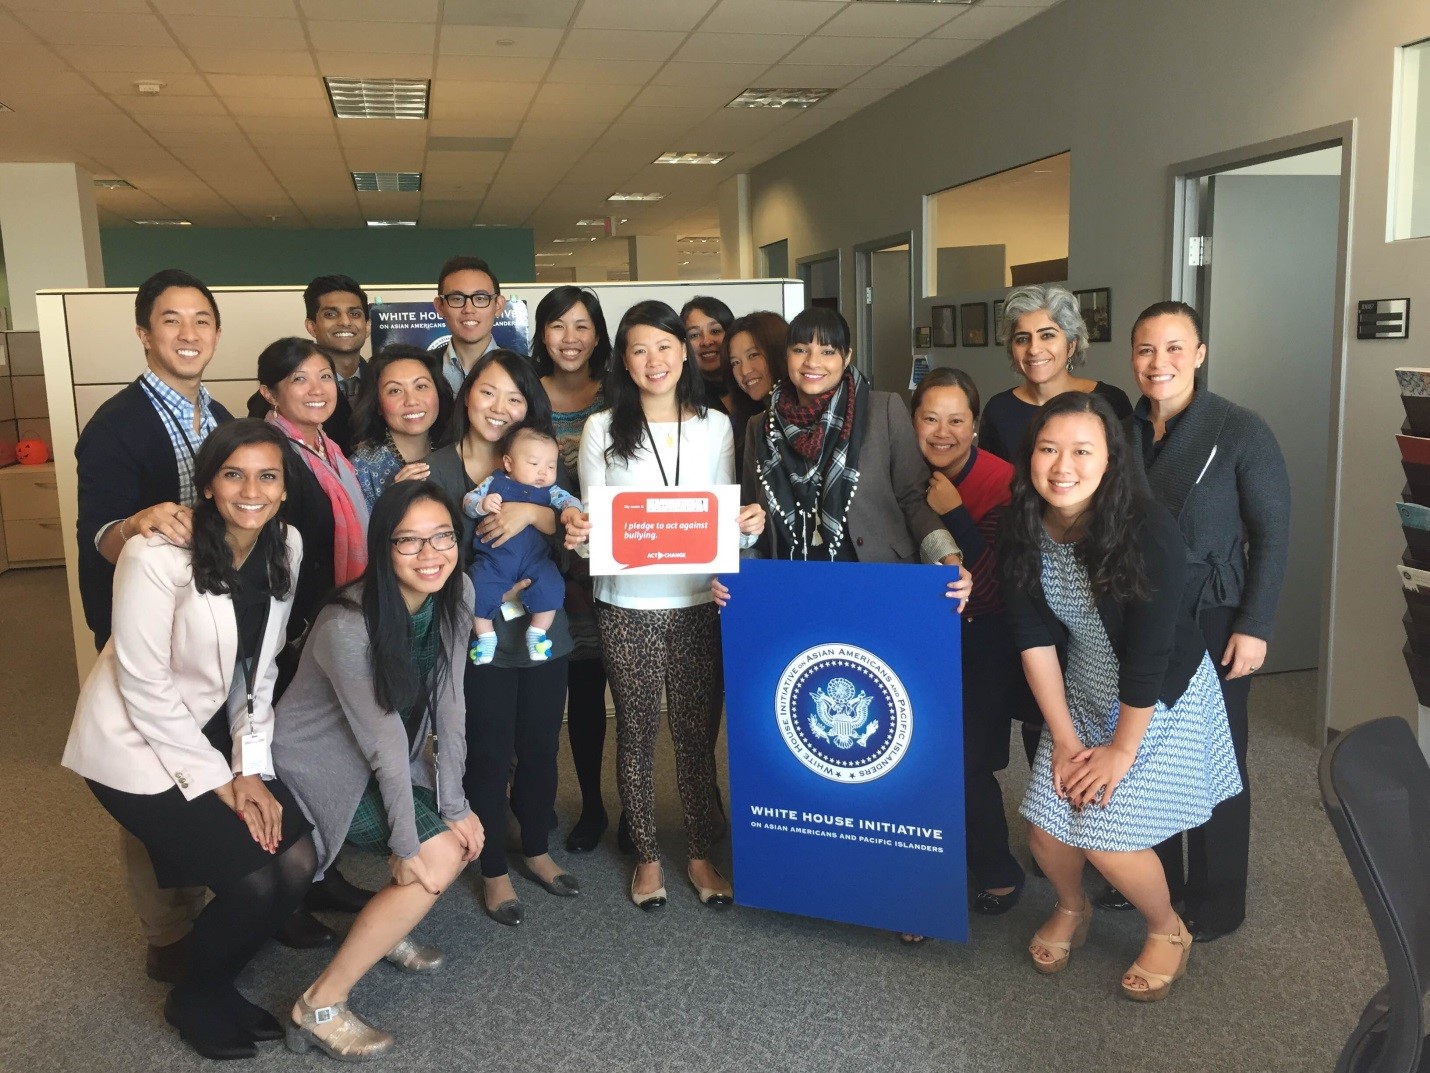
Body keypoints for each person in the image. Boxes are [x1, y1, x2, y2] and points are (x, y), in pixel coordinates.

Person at [62, 420, 316, 1060]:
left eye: (268, 476)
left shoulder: (285, 542)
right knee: (255, 880)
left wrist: (251, 767)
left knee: (297, 860)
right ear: (207, 484)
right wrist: (221, 780)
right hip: (130, 746)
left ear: (285, 489)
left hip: (208, 732)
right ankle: (195, 996)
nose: (250, 490)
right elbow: (143, 683)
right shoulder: (156, 555)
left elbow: (259, 667)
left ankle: (213, 979)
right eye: (233, 474)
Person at [999, 391, 1241, 1002]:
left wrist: (1120, 751)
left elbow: (1153, 653)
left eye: (1083, 450)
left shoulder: (1145, 527)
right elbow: (1032, 639)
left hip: (1159, 699)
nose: (1063, 466)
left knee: (1107, 835)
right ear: (1029, 456)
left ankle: (1168, 929)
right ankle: (1073, 908)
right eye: (1049, 449)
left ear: (1110, 460)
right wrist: (1065, 738)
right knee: (1047, 832)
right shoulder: (1020, 523)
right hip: (1080, 689)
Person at [1095, 301, 1290, 941]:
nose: (1160, 363)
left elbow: (1273, 534)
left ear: (1200, 354)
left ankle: (1217, 897)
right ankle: (1159, 879)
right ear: (1132, 357)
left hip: (1213, 612)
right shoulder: (1119, 429)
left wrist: (1255, 623)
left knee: (1215, 757)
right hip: (1138, 612)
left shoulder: (1239, 429)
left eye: (1175, 348)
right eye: (1147, 350)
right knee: (1149, 748)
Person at [273, 481, 484, 1061]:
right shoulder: (349, 621)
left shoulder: (456, 592)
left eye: (443, 536)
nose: (431, 554)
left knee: (447, 843)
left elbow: (451, 703)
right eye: (409, 542)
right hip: (319, 766)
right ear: (381, 548)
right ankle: (318, 1005)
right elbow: (383, 739)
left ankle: (384, 927)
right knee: (435, 857)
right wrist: (406, 836)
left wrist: (456, 804)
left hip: (387, 757)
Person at [578, 299, 766, 911]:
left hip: (696, 601)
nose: (654, 360)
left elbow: (723, 527)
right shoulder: (601, 427)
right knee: (634, 732)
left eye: (665, 345)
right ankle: (648, 855)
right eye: (639, 349)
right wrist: (581, 531)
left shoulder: (714, 425)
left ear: (684, 353)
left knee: (694, 734)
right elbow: (597, 527)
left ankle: (700, 852)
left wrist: (748, 525)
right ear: (624, 362)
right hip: (626, 602)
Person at [74, 267, 232, 983]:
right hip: (144, 633)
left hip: (207, 627)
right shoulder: (116, 422)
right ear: (144, 332)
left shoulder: (222, 419)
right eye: (171, 319)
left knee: (201, 755)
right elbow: (98, 532)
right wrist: (135, 522)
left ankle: (201, 896)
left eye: (201, 319)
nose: (188, 333)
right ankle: (166, 931)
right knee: (151, 772)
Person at [426, 350, 586, 927]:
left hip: (545, 635)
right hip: (478, 634)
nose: (500, 407)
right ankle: (492, 866)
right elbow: (425, 554)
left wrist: (531, 517)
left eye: (514, 397)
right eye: (488, 392)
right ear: (466, 395)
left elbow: (573, 533)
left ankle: (536, 848)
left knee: (542, 748)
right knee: (488, 754)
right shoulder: (437, 470)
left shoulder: (541, 461)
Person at [911, 367, 1034, 917]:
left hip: (986, 638)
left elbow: (990, 584)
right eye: (929, 418)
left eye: (956, 420)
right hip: (919, 636)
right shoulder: (902, 473)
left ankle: (997, 868)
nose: (943, 432)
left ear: (975, 424)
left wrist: (954, 512)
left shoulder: (1004, 480)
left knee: (966, 761)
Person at [532, 285, 613, 853]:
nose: (570, 338)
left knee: (620, 693)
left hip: (611, 568)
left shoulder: (620, 394)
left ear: (598, 333)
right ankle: (589, 806)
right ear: (541, 334)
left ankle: (624, 803)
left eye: (581, 326)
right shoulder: (524, 396)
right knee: (566, 695)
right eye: (558, 325)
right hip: (542, 570)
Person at [463, 425, 582, 665]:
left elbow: (570, 501)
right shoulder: (493, 483)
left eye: (551, 466)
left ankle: (537, 633)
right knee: (477, 587)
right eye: (534, 463)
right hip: (494, 561)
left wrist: (571, 510)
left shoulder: (551, 491)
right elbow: (468, 501)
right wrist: (482, 504)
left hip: (536, 561)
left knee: (552, 585)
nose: (543, 472)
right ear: (508, 462)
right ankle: (485, 636)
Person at [978, 283, 1133, 465]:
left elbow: (1125, 479)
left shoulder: (1111, 401)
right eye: (1022, 339)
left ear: (1071, 345)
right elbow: (990, 482)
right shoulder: (998, 409)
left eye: (1047, 336)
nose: (1034, 349)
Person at [245, 275, 371, 455]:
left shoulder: (382, 382)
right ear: (312, 326)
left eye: (355, 314)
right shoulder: (278, 395)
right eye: (330, 314)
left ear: (367, 326)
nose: (345, 322)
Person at [349, 345, 454, 509]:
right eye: (395, 391)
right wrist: (394, 499)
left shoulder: (457, 450)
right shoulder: (361, 469)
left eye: (421, 387)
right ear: (378, 405)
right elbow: (359, 533)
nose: (411, 401)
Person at [721, 310, 788, 480]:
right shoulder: (741, 425)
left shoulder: (806, 417)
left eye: (753, 355)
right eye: (735, 362)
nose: (744, 370)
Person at [433, 254, 513, 395]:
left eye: (480, 298)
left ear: (499, 306)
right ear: (440, 307)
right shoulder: (423, 369)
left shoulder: (528, 370)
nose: (469, 309)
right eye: (457, 299)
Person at [682, 295, 734, 414]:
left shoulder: (751, 385)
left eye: (715, 331)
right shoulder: (682, 398)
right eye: (694, 335)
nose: (706, 341)